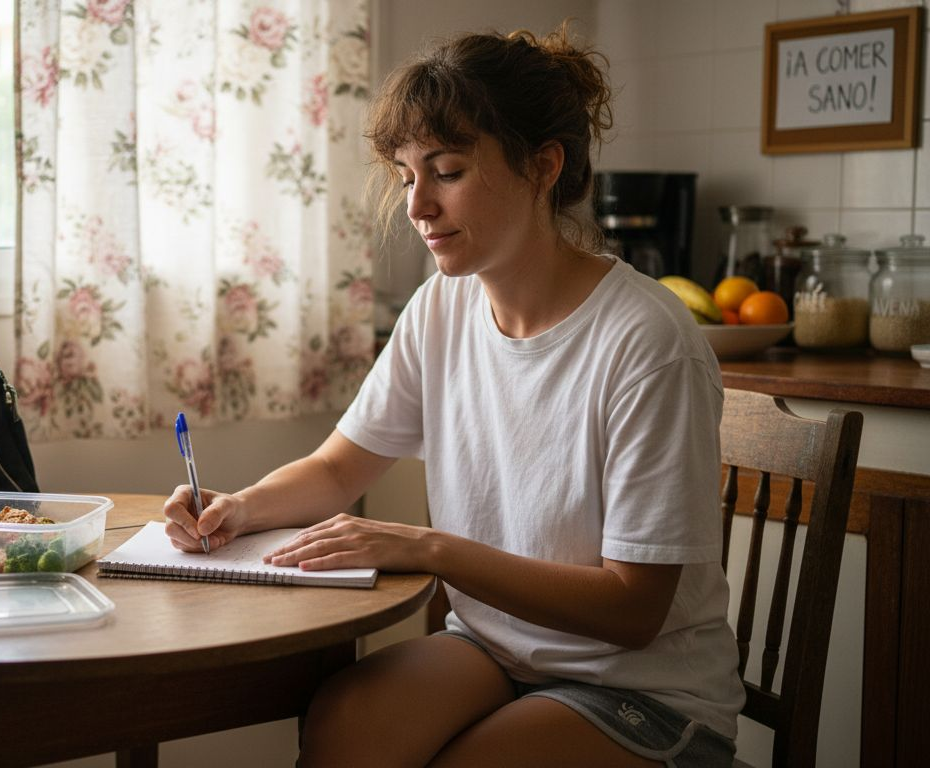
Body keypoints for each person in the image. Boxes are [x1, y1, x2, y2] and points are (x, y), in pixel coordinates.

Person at [161, 24, 744, 768]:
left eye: (447, 171)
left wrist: (428, 546)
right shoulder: (442, 306)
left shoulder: (647, 341)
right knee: (342, 723)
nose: (418, 206)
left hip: (642, 690)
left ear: (543, 167)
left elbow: (633, 610)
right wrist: (239, 508)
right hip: (494, 651)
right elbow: (339, 468)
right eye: (408, 176)